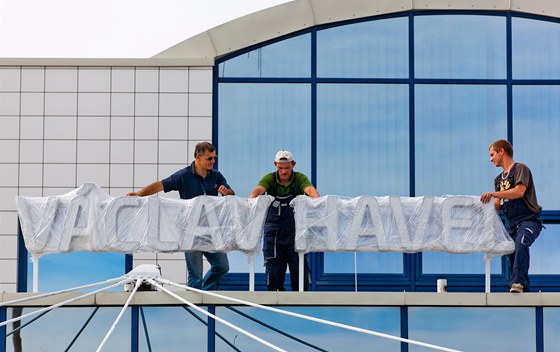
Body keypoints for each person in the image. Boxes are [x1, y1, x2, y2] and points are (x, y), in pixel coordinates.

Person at [127, 142, 235, 290]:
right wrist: (139, 194)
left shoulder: (216, 176)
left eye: (214, 158)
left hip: (211, 232)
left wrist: (227, 192)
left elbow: (231, 194)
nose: (213, 162)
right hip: (190, 233)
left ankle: (203, 291)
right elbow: (161, 185)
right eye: (209, 158)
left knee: (222, 266)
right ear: (198, 157)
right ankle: (195, 302)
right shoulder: (184, 175)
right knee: (195, 276)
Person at [249, 150, 320, 291]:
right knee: (273, 274)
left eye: (287, 168)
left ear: (293, 165)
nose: (283, 172)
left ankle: (301, 306)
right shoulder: (269, 178)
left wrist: (318, 203)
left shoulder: (299, 178)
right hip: (273, 235)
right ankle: (276, 308)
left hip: (295, 232)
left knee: (300, 273)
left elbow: (310, 190)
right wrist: (252, 201)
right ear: (275, 165)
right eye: (280, 168)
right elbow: (257, 190)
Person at [480, 139, 542, 293]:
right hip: (512, 224)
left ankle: (518, 283)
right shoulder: (498, 180)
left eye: (492, 154)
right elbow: (498, 206)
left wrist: (493, 194)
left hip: (528, 220)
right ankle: (522, 288)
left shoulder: (520, 169)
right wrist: (485, 205)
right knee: (512, 254)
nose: (491, 159)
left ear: (502, 151)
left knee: (522, 243)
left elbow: (519, 192)